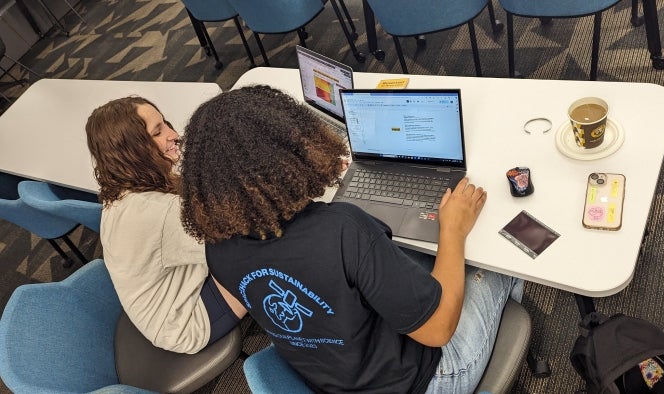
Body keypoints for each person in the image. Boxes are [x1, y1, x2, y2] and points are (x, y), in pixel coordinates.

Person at [179, 85, 524, 392]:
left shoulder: (217, 248)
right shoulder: (342, 230)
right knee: (497, 255)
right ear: (292, 147)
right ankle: (516, 328)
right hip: (431, 377)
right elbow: (437, 332)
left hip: (332, 380)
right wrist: (453, 230)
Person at [85, 96, 247, 354]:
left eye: (166, 124)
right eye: (158, 132)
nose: (174, 134)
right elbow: (240, 233)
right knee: (262, 254)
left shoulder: (126, 186)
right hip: (184, 321)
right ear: (133, 150)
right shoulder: (155, 213)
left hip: (169, 291)